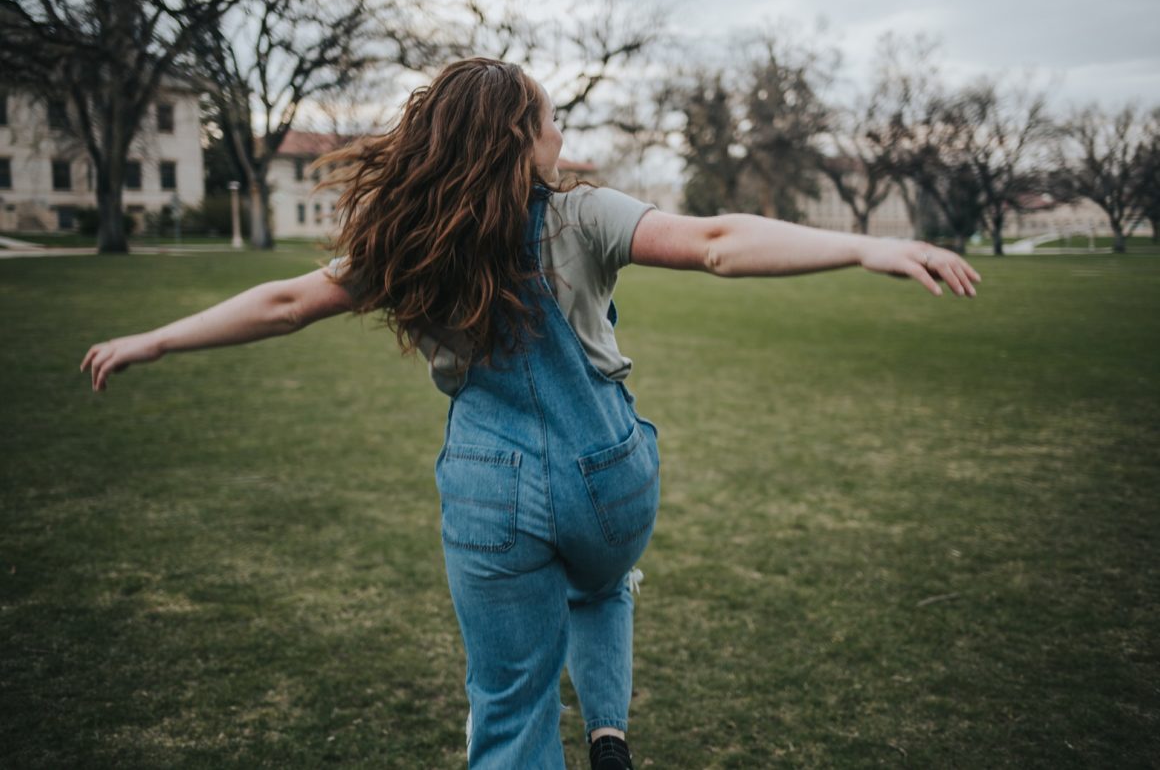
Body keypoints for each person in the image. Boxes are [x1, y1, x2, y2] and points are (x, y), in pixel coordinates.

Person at [81, 57, 980, 770]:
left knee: (509, 708)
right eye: (553, 121)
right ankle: (609, 730)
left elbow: (283, 303)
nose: (563, 133)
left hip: (488, 493)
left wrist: (153, 341)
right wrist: (865, 245)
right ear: (520, 141)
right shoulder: (582, 217)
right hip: (610, 481)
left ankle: (565, 729)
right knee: (602, 581)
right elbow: (716, 242)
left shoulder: (405, 244)